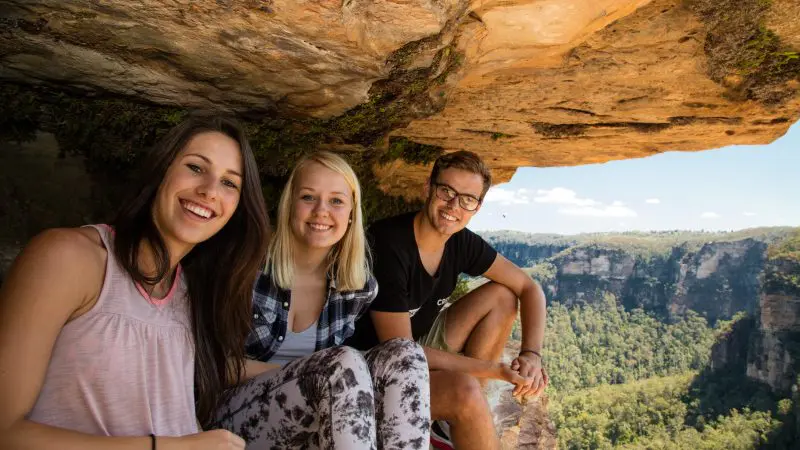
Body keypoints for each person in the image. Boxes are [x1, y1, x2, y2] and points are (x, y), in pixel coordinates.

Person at [0, 115, 271, 449]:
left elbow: (219, 368)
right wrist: (169, 447)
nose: (210, 191)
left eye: (230, 183)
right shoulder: (70, 258)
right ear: (161, 171)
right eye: (196, 167)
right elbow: (5, 431)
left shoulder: (192, 291)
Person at [212, 151, 431, 449]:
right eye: (308, 197)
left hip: (315, 412)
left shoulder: (359, 287)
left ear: (352, 213)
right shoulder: (246, 269)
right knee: (343, 364)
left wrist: (324, 379)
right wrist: (308, 377)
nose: (321, 211)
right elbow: (209, 364)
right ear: (289, 204)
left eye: (336, 201)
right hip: (233, 413)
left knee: (407, 354)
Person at [346, 150, 549, 450]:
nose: (454, 206)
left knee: (503, 296)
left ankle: (449, 420)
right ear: (427, 188)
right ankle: (462, 401)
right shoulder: (388, 245)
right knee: (464, 389)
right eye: (447, 191)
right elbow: (400, 351)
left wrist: (532, 354)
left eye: (468, 199)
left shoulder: (460, 241)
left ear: (477, 207)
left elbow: (529, 288)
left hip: (419, 343)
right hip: (373, 365)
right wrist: (492, 370)